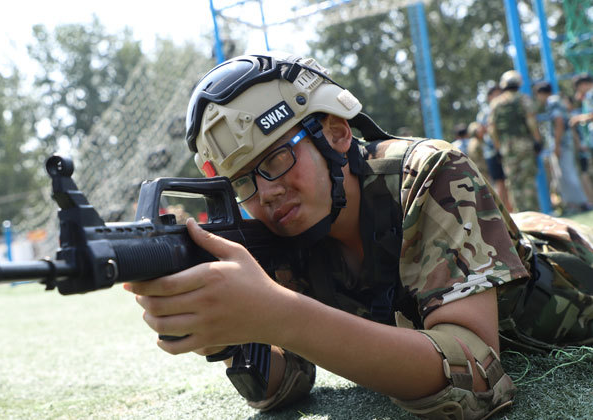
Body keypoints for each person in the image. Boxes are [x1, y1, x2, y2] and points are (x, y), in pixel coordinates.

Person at [124, 53, 593, 419]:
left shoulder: (428, 172)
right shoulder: (281, 231)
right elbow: (285, 384)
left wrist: (278, 313)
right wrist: (232, 338)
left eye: (275, 160)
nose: (266, 192)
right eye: (243, 180)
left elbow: (474, 380)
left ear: (336, 131)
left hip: (565, 269)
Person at [488, 70, 544, 212]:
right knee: (528, 181)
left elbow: (492, 129)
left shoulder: (495, 104)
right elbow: (531, 121)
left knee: (513, 182)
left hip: (507, 148)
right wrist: (537, 140)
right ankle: (533, 214)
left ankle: (520, 216)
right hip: (524, 145)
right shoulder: (523, 99)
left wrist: (498, 148)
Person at [534, 81, 591, 214]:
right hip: (566, 142)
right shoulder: (558, 100)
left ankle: (580, 203)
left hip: (563, 144)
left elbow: (559, 122)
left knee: (567, 173)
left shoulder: (552, 101)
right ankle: (575, 204)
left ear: (542, 93)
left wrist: (557, 144)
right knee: (565, 174)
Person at [478, 85, 514, 212]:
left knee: (510, 181)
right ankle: (503, 212)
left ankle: (512, 211)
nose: (498, 96)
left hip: (506, 150)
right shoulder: (485, 113)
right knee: (500, 183)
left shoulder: (503, 108)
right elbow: (480, 133)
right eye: (495, 94)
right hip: (493, 153)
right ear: (489, 97)